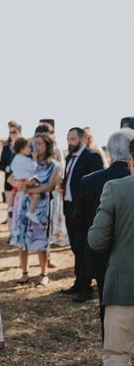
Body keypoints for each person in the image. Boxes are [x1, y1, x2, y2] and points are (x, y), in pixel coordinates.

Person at [73, 129, 134, 366]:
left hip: (122, 288)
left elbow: (96, 240)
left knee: (117, 357)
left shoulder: (117, 188)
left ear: (131, 160)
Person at [10, 133, 61, 286]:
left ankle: (44, 274)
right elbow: (11, 177)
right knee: (22, 238)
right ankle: (24, 273)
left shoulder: (54, 165)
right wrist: (18, 184)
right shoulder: (26, 161)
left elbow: (50, 186)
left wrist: (32, 190)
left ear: (48, 146)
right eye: (35, 143)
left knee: (41, 239)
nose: (36, 146)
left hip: (42, 206)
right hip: (23, 204)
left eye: (40, 144)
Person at [62, 127, 104, 299]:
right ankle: (78, 282)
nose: (69, 142)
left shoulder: (92, 157)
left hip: (83, 209)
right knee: (74, 247)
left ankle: (86, 288)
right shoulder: (69, 157)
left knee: (82, 247)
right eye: (68, 139)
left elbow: (96, 182)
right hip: (68, 206)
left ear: (82, 139)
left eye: (72, 139)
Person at [9, 137, 41, 224]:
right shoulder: (26, 160)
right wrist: (34, 159)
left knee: (13, 193)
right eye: (28, 147)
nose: (30, 149)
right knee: (36, 195)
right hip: (26, 182)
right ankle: (31, 212)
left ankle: (10, 207)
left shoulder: (15, 158)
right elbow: (33, 168)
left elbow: (12, 168)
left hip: (17, 181)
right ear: (22, 149)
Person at [0, 122, 21, 218]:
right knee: (10, 210)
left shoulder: (24, 148)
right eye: (10, 132)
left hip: (22, 184)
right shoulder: (6, 148)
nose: (12, 134)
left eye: (14, 132)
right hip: (9, 183)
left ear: (19, 132)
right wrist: (7, 168)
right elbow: (0, 165)